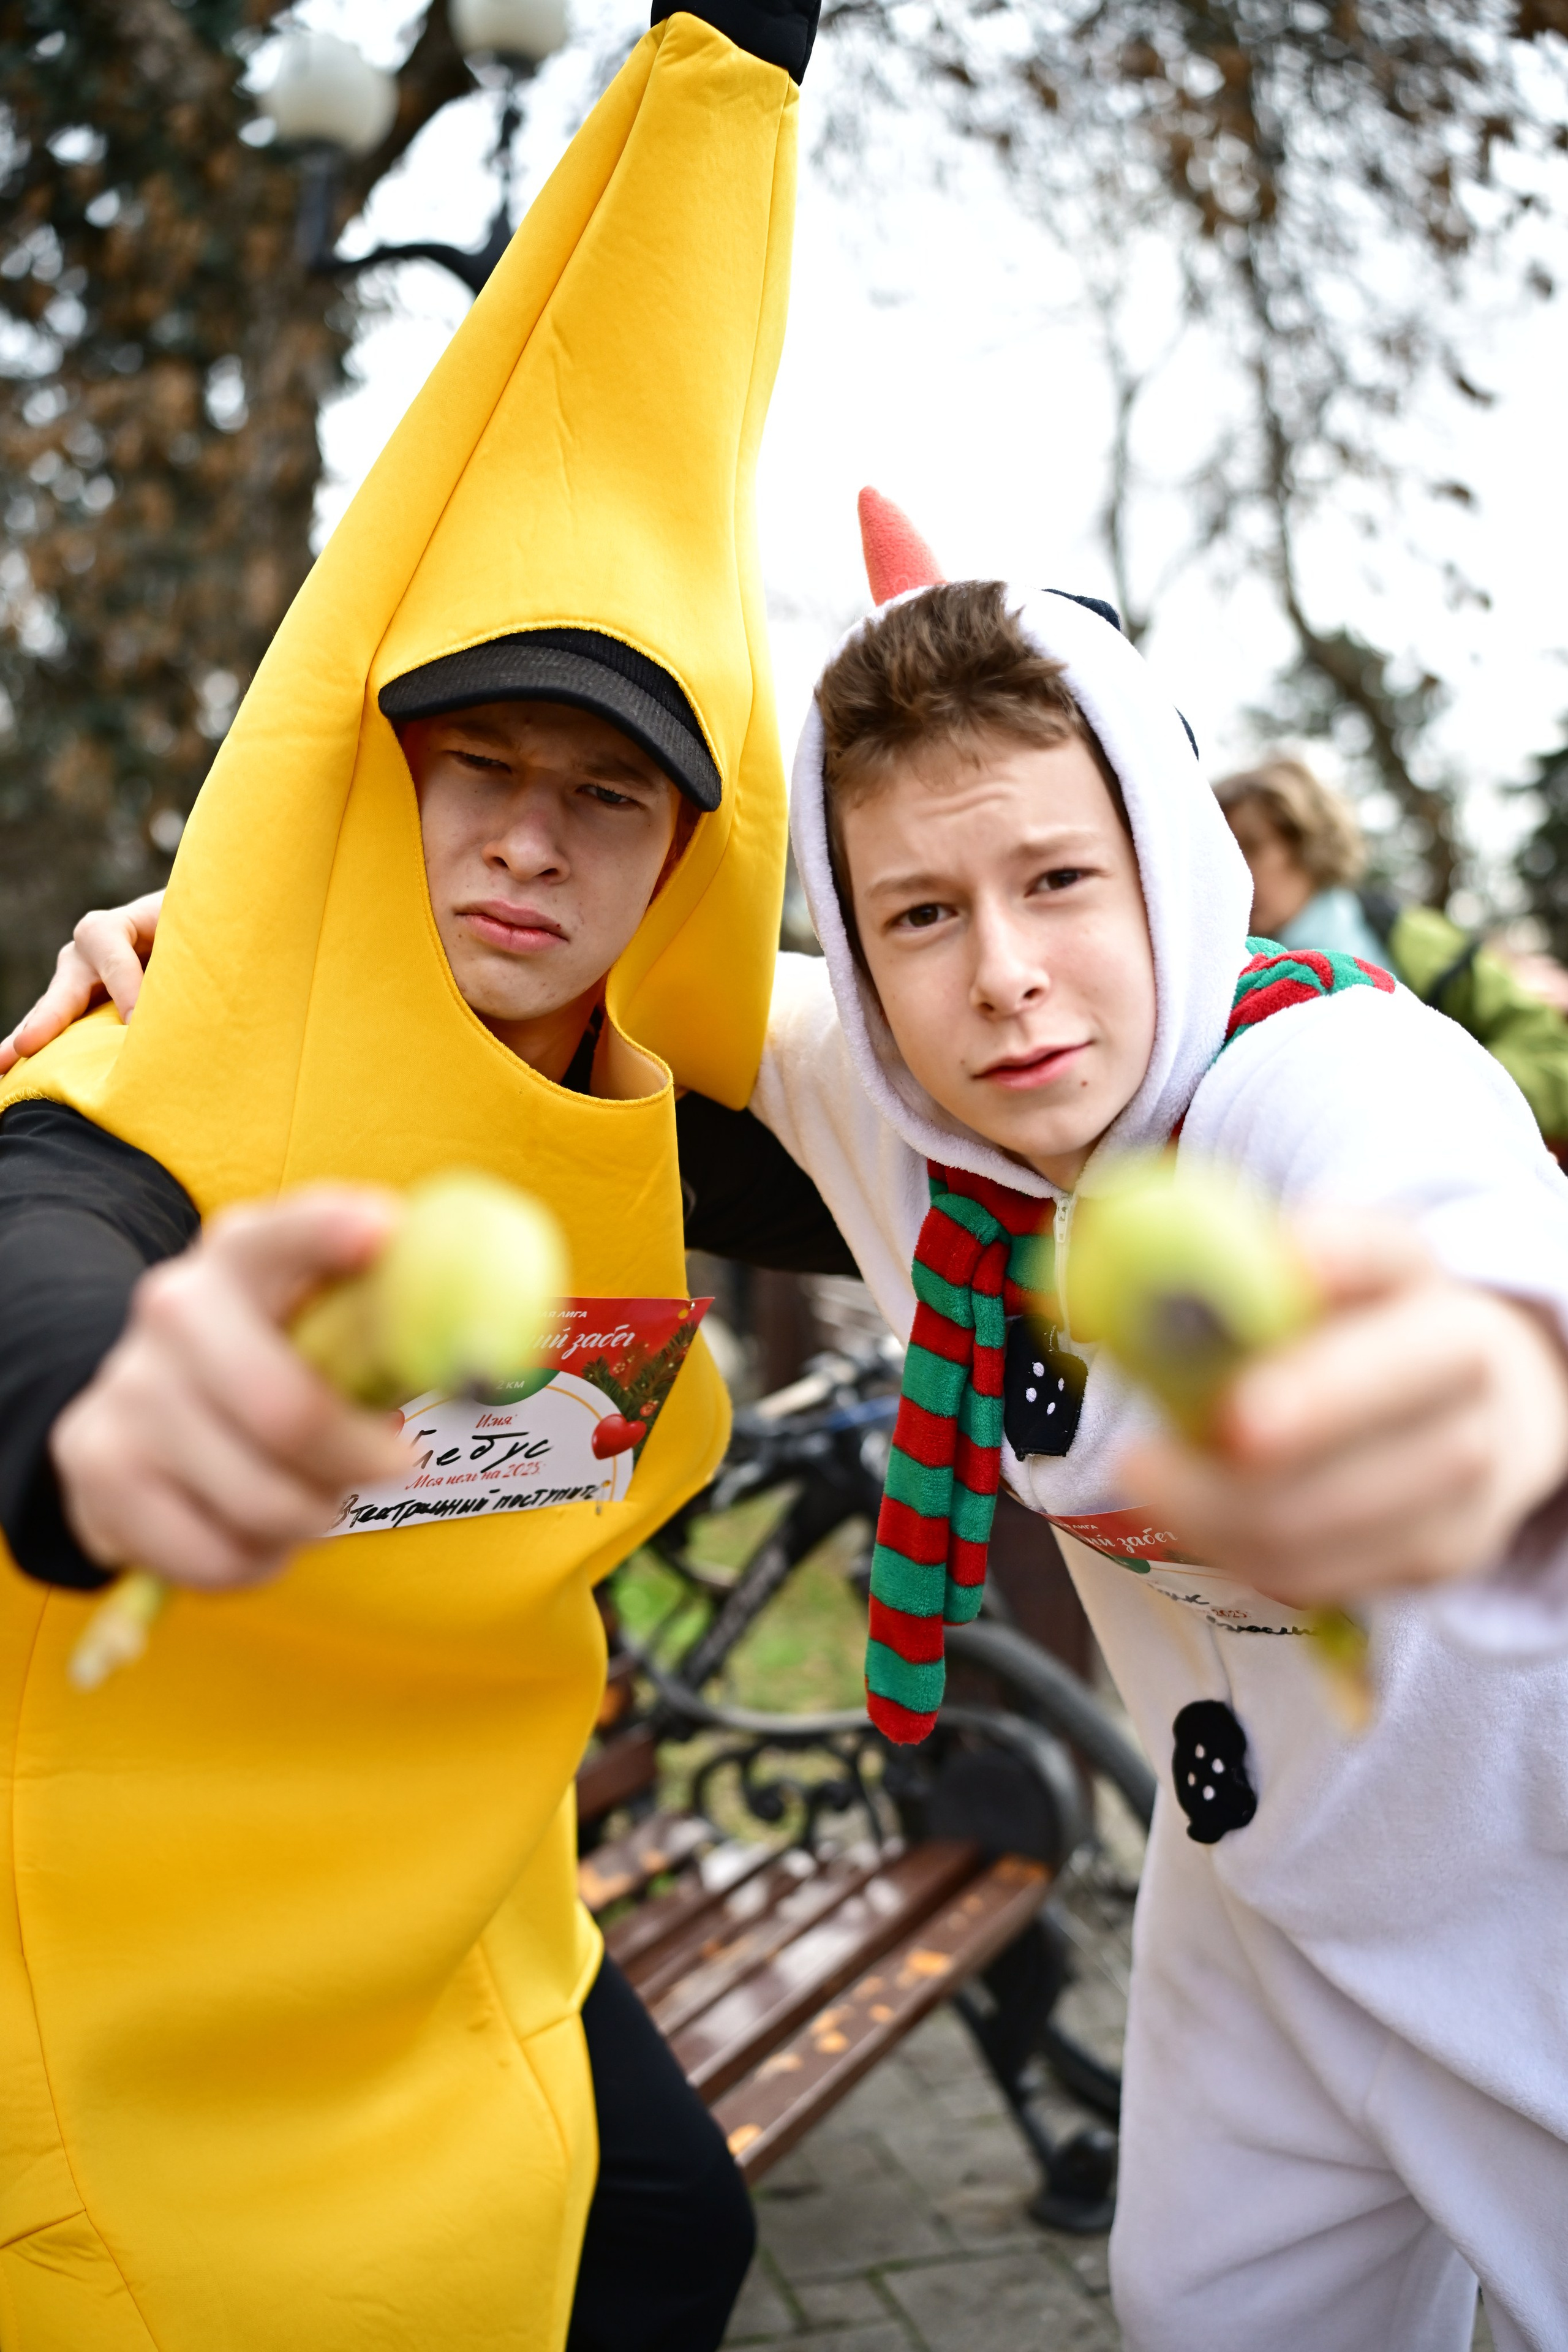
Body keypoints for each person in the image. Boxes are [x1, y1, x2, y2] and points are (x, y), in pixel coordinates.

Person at [0, 7, 825, 2347]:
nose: (528, 845)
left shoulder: (652, 1108)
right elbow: (46, 1250)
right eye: (481, 765)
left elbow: (999, 1145)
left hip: (468, 1916)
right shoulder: (156, 1058)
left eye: (607, 799)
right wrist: (112, 1415)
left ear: (679, 851)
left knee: (669, 2238)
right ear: (388, 774)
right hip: (134, 1967)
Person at [734, 508, 1568, 2351]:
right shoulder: (890, 1107)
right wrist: (221, 945)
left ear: (1175, 872)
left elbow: (1471, 1271)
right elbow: (592, 934)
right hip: (1249, 1917)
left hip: (1525, 1914)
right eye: (922, 913)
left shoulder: (1325, 1080)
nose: (1003, 972)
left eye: (1058, 880)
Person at [1215, 752, 1568, 1143]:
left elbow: (1551, 1052)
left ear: (1306, 842)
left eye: (1250, 847)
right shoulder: (1215, 972)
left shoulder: (1413, 938)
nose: (1233, 868)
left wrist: (1445, 1096)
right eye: (1219, 852)